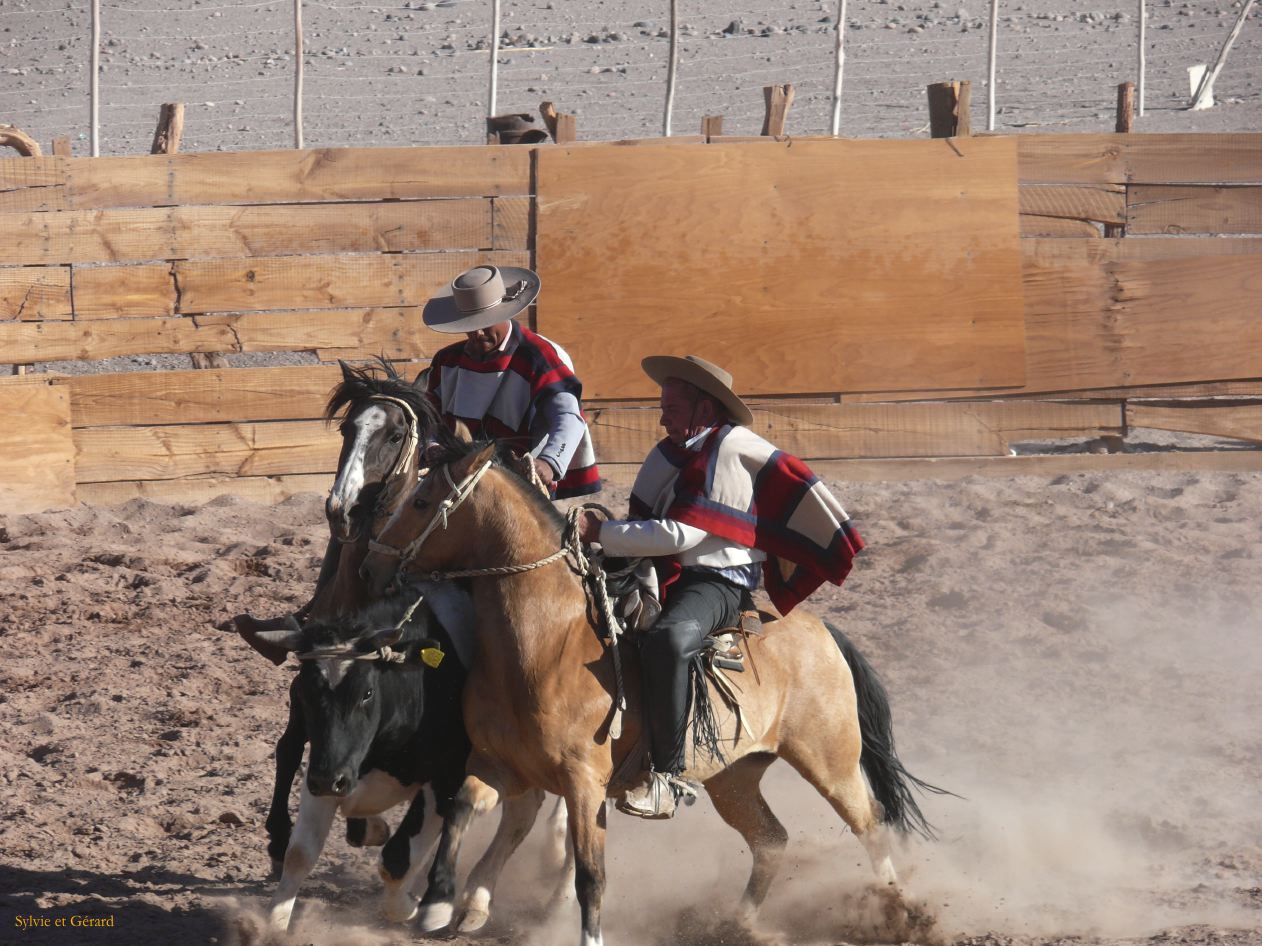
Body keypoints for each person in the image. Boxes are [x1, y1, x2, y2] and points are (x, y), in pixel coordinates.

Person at [577, 355, 865, 819]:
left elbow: (679, 535)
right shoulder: (673, 451)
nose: (663, 415)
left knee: (669, 639)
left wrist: (600, 533)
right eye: (662, 406)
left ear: (705, 410)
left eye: (672, 406)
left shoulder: (728, 451)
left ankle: (667, 777)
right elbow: (648, 525)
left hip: (717, 582)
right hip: (662, 571)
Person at [422, 264, 601, 499]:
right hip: (456, 476)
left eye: (484, 324)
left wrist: (548, 462)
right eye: (470, 327)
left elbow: (568, 417)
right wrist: (431, 444)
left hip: (518, 481)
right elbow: (428, 417)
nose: (477, 335)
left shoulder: (539, 356)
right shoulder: (447, 361)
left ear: (503, 314)